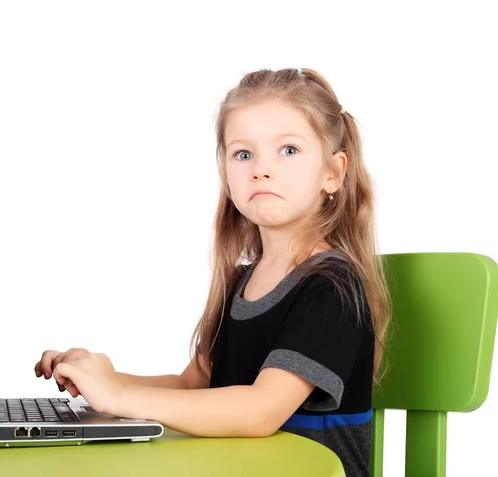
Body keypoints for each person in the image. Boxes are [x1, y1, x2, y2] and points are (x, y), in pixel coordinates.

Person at [34, 67, 392, 477]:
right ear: (227, 172)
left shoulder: (332, 287)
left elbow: (260, 411)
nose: (261, 168)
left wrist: (118, 395)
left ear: (333, 173)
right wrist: (102, 379)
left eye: (288, 149)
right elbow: (192, 386)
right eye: (244, 154)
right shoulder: (240, 284)